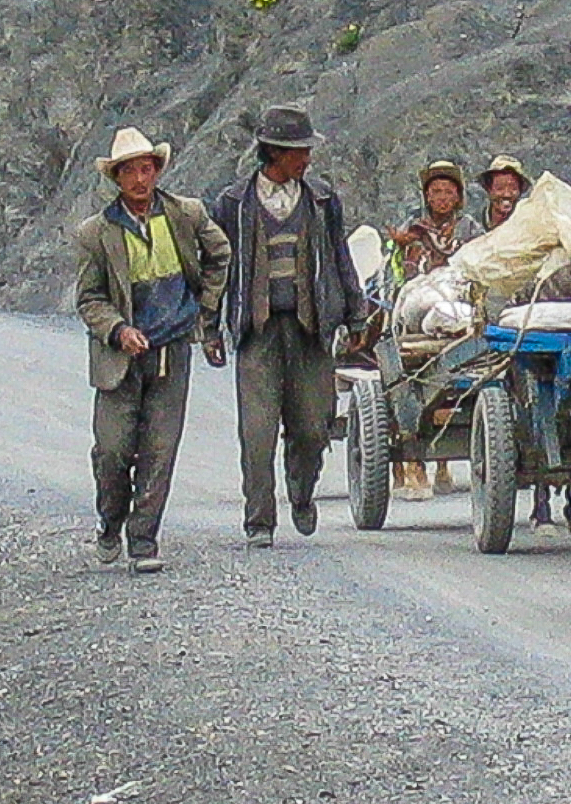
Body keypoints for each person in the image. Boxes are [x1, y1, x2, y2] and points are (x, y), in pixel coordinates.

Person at [75, 127, 231, 572]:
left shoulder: (186, 214)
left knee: (160, 449)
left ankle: (144, 539)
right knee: (112, 450)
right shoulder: (95, 233)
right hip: (120, 359)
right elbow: (88, 298)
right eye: (130, 172)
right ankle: (110, 522)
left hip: (171, 350)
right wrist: (118, 329)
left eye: (147, 169)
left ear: (158, 171)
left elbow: (220, 255)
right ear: (117, 179)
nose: (140, 179)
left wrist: (203, 309)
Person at [211, 105, 365, 548]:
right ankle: (259, 520)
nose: (307, 159)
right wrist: (209, 328)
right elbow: (217, 269)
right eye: (300, 151)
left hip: (310, 330)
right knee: (256, 433)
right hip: (257, 334)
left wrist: (355, 314)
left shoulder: (320, 200)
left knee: (314, 427)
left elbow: (340, 257)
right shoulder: (233, 204)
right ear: (275, 153)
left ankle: (301, 491)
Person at [388, 160, 482, 500]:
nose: (442, 197)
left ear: (458, 197)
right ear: (426, 196)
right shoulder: (413, 227)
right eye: (435, 191)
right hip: (420, 309)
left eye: (448, 191)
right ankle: (414, 460)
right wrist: (402, 252)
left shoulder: (470, 228)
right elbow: (399, 270)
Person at [477, 154, 530, 231]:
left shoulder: (526, 226)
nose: (507, 194)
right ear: (489, 189)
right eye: (500, 188)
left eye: (513, 188)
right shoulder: (474, 224)